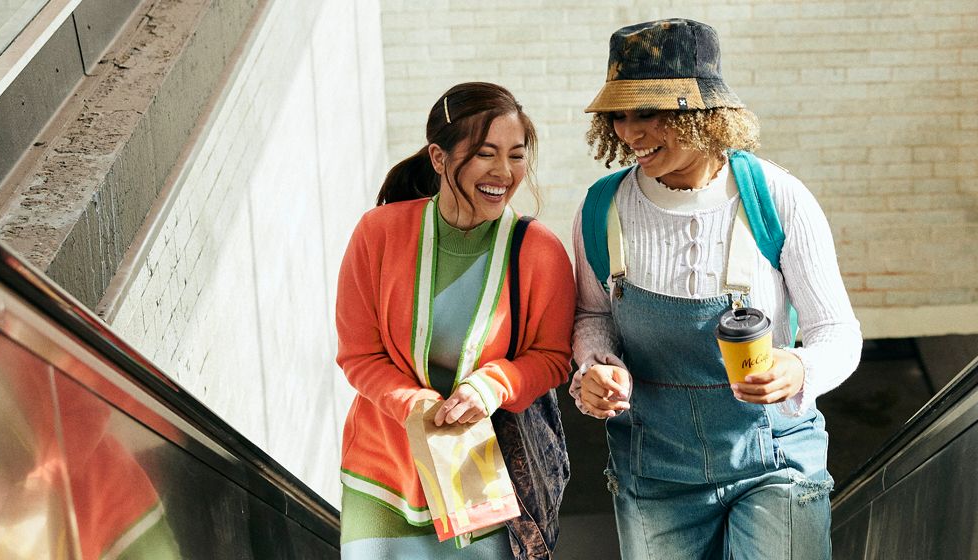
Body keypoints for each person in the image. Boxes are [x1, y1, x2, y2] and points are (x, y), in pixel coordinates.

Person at [569, 19, 863, 559]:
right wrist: (594, 367)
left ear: (703, 113)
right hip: (654, 470)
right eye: (620, 115)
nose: (630, 133)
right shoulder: (601, 209)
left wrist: (799, 368)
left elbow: (838, 332)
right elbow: (592, 316)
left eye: (650, 113)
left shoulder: (777, 199)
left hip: (774, 459)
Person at [335, 82, 575, 558]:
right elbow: (358, 355)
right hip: (381, 474)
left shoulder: (539, 251)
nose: (504, 173)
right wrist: (414, 403)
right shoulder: (377, 233)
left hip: (480, 475)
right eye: (485, 154)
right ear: (439, 158)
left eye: (516, 155)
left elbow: (553, 358)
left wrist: (494, 384)